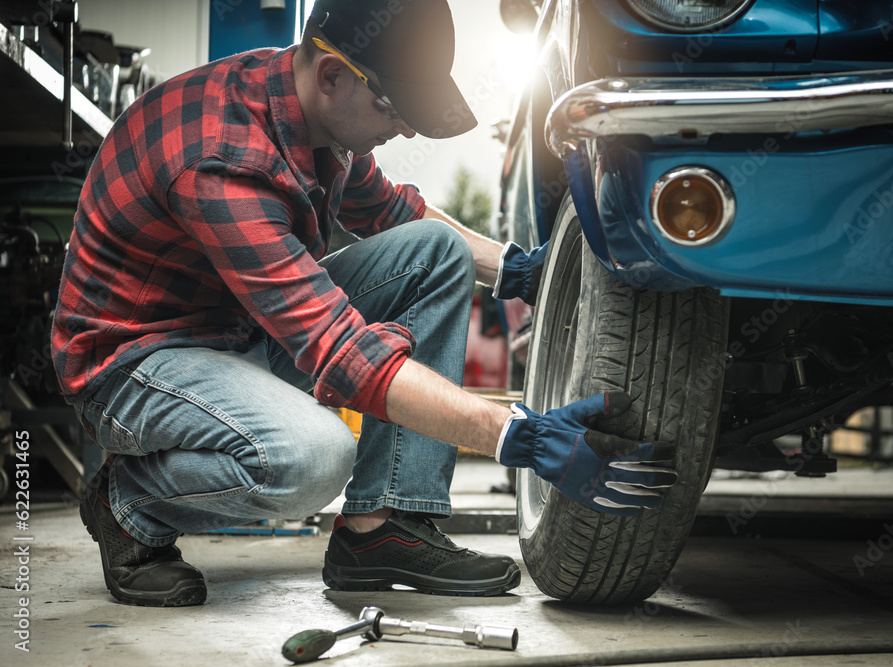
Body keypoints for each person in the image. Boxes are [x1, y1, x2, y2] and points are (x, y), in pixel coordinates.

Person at [52, 0, 673, 608]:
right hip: (135, 362)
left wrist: (516, 270)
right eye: (395, 107)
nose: (405, 127)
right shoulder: (222, 158)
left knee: (434, 251)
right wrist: (517, 435)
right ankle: (129, 503)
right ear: (331, 76)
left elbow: (393, 212)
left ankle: (384, 529)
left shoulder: (313, 114)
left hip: (234, 330)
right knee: (310, 458)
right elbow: (342, 354)